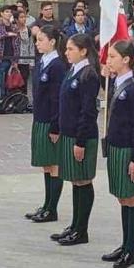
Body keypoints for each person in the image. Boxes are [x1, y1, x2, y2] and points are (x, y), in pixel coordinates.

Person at [100, 40, 134, 268]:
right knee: (122, 197)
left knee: (131, 197)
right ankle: (125, 244)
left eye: (112, 57)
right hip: (116, 147)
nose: (108, 61)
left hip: (129, 149)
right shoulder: (116, 82)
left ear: (126, 59)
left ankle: (132, 249)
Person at [50, 33, 100, 246]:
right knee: (75, 181)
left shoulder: (89, 75)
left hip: (82, 136)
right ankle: (75, 224)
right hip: (69, 133)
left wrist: (80, 141)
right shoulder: (74, 70)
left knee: (83, 180)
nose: (66, 53)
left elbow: (88, 111)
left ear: (83, 51)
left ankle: (82, 229)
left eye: (71, 49)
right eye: (67, 49)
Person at [26, 25, 67, 222]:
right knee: (45, 165)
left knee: (54, 165)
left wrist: (56, 125)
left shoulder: (57, 65)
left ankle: (52, 208)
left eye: (41, 39)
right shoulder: (43, 61)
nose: (37, 43)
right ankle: (46, 204)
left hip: (51, 121)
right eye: (37, 39)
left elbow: (58, 98)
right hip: (39, 118)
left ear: (52, 42)